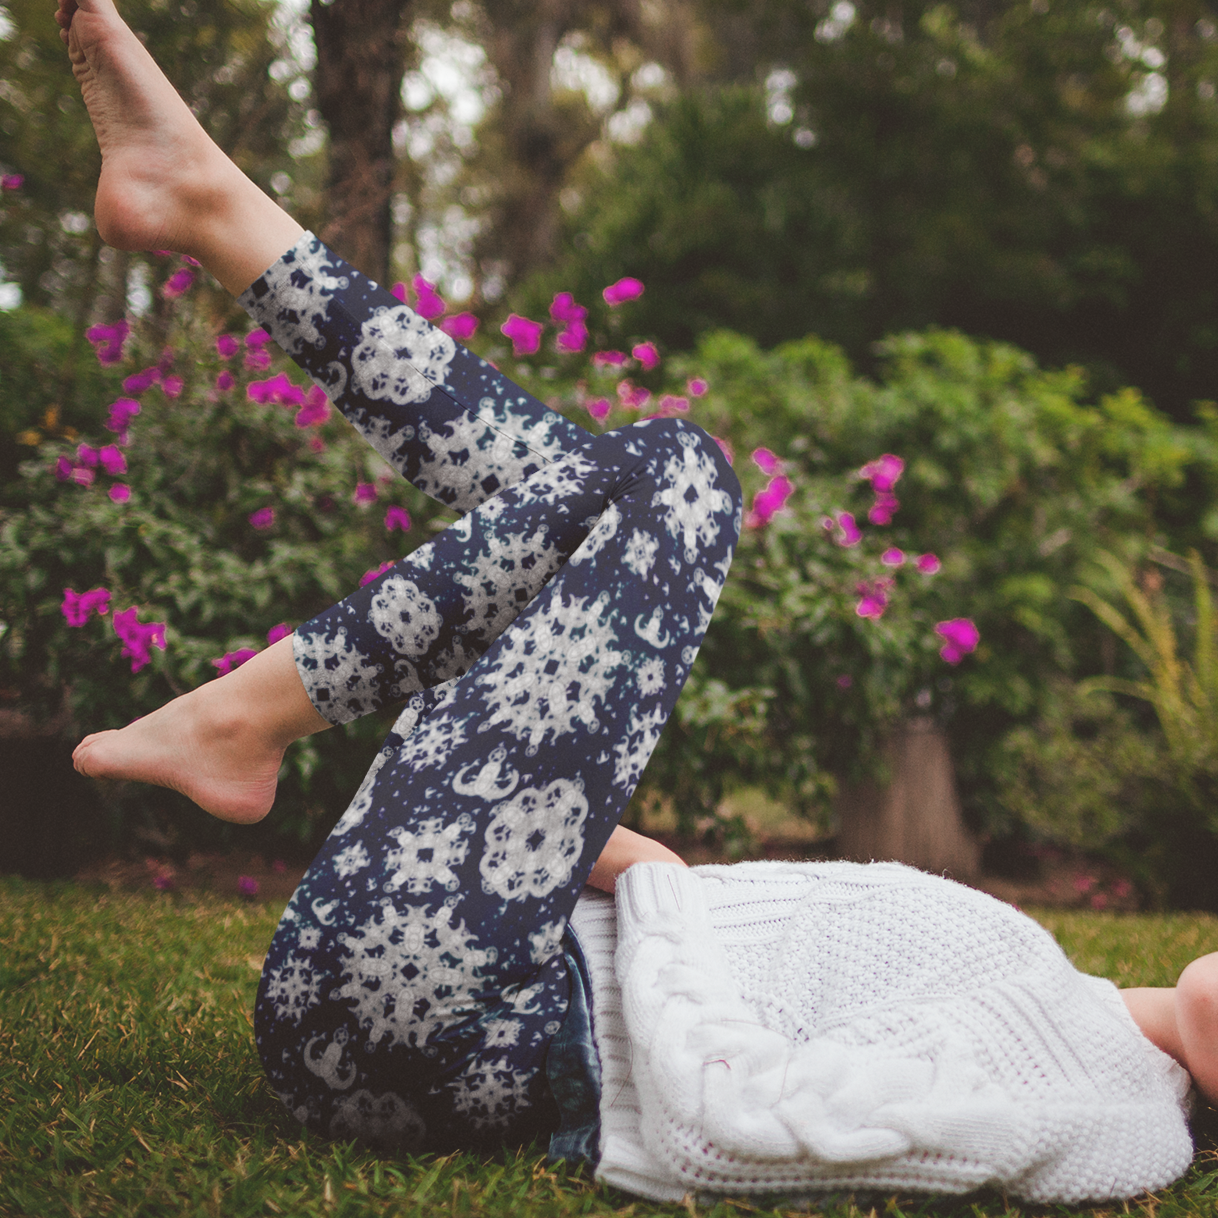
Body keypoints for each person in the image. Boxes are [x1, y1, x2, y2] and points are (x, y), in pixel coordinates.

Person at [56, 0, 1218, 1201]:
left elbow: (748, 1124)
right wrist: (607, 864)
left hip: (445, 1020)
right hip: (453, 958)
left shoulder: (1112, 1108)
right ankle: (213, 215)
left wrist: (653, 884)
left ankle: (250, 707)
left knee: (675, 476)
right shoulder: (1077, 1009)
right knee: (592, 495)